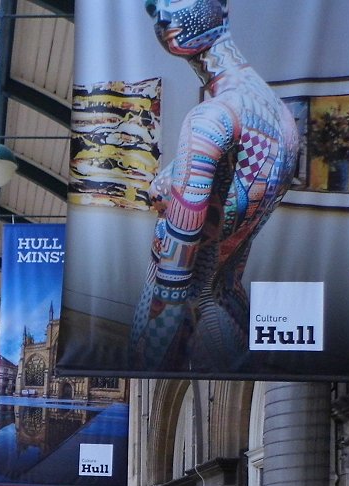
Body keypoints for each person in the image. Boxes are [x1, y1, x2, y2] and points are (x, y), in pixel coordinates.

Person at [128, 0, 300, 373]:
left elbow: (174, 282)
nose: (163, 16)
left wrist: (145, 359)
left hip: (193, 318)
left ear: (223, 5)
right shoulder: (280, 116)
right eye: (152, 7)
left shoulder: (213, 118)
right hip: (230, 309)